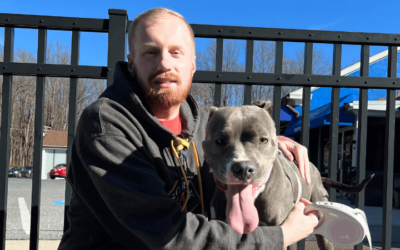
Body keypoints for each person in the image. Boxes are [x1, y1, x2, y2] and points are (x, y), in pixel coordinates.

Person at [58, 7, 317, 250]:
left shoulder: (204, 122)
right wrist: (283, 235)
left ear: (192, 64)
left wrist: (270, 141)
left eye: (175, 52)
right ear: (131, 63)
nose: (164, 64)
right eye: (150, 52)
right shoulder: (106, 125)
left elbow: (239, 133)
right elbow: (171, 235)